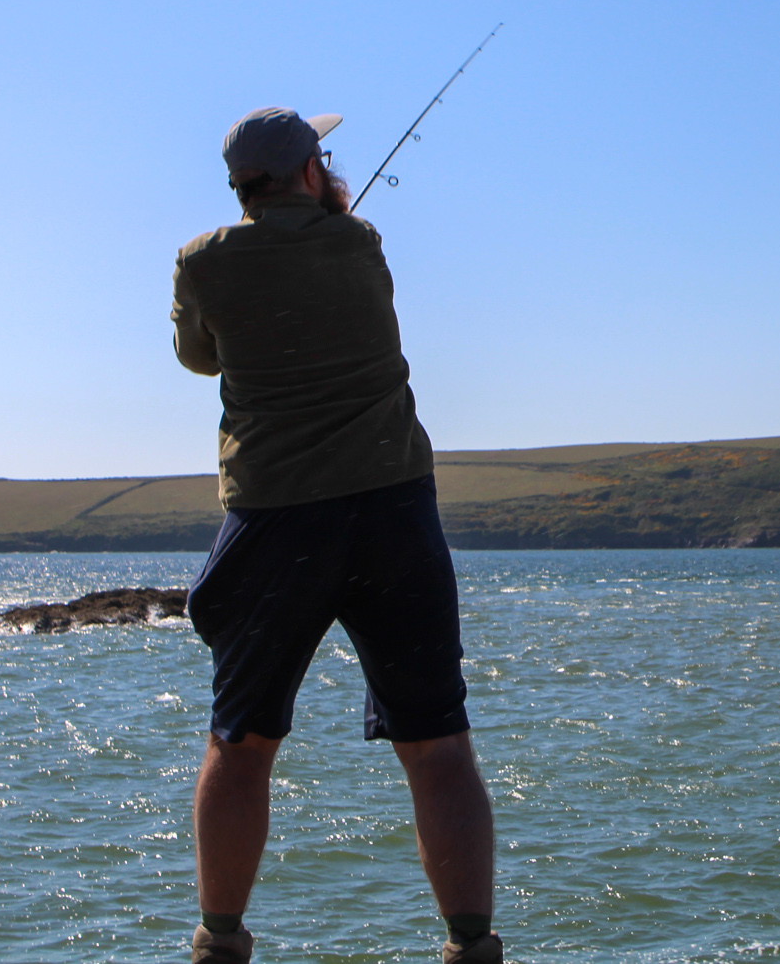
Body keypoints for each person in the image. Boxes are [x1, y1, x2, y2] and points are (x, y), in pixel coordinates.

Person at [171, 107, 500, 964]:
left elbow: (198, 357)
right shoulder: (361, 244)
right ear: (312, 171)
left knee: (240, 741)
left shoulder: (202, 261)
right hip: (394, 510)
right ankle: (471, 945)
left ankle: (219, 944)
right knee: (437, 743)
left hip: (275, 517)